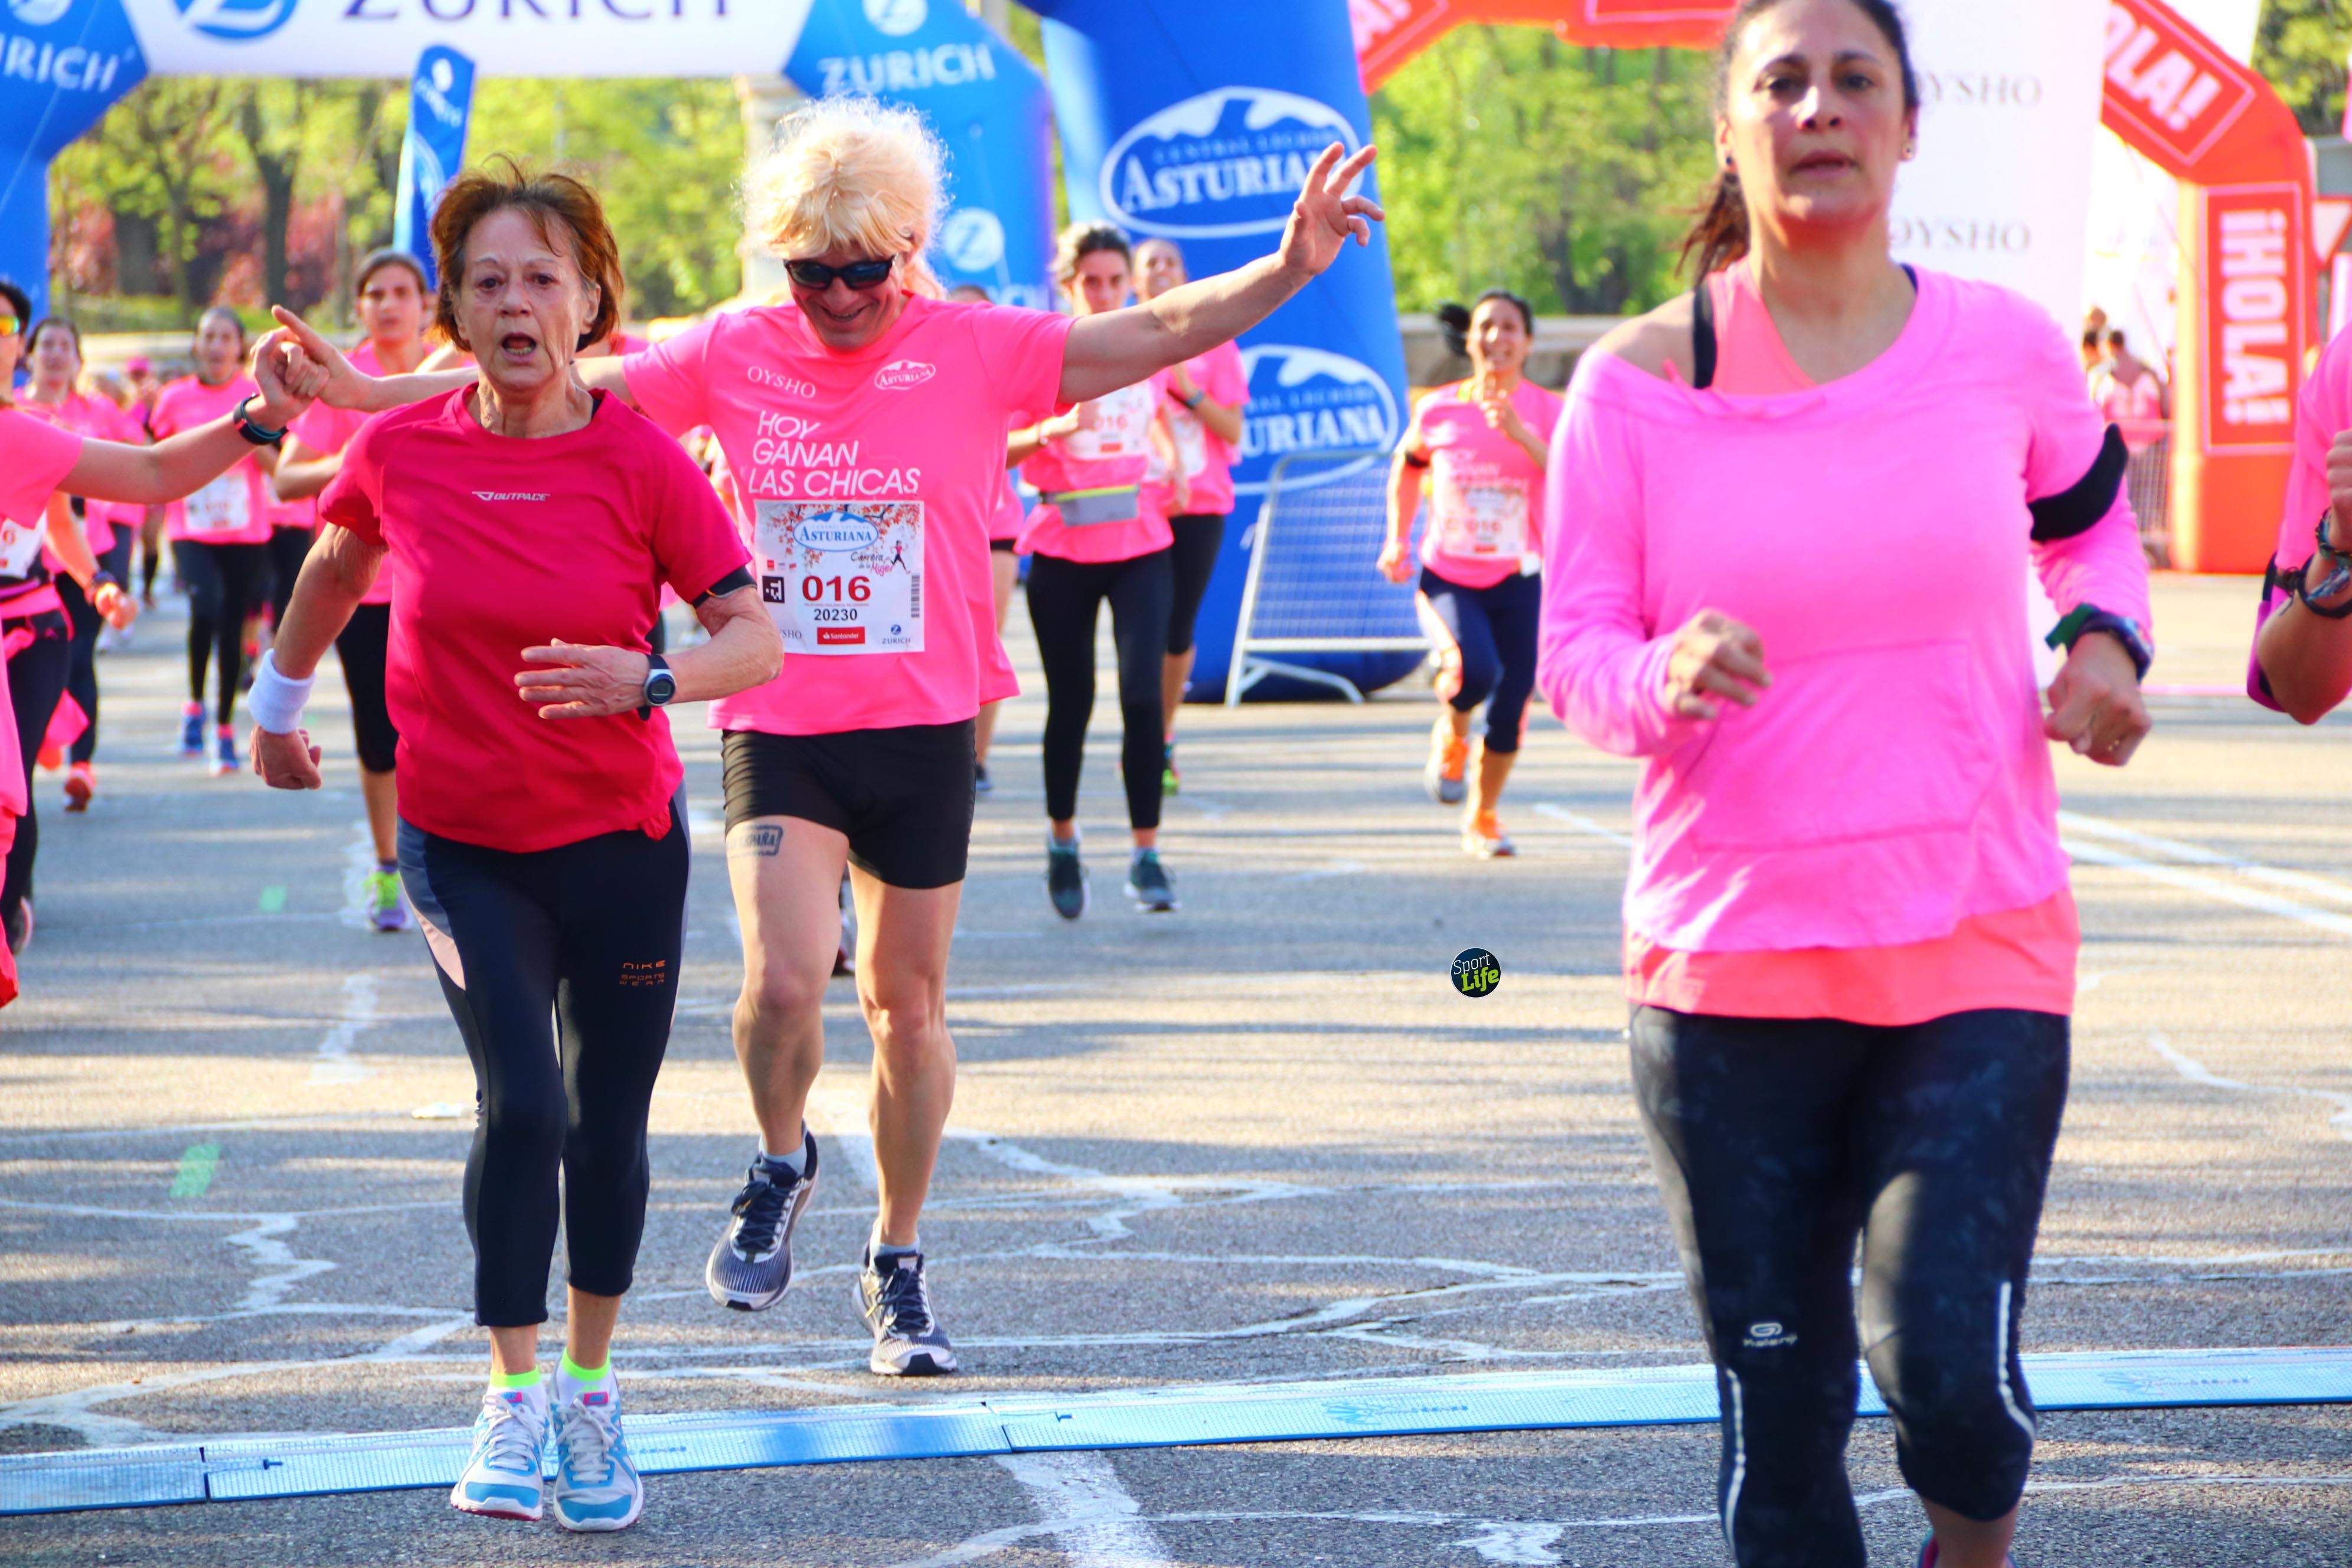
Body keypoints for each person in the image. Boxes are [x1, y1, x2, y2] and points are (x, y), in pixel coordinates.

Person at [280, 93, 1383, 1378]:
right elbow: (550, 372)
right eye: (814, 271)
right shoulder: (732, 349)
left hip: (922, 724)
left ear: (908, 248)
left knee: (906, 1009)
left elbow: (1157, 329)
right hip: (782, 718)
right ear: (782, 257)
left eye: (866, 269)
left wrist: (1289, 266)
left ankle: (897, 1257)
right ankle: (780, 1156)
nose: (842, 296)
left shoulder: (978, 347)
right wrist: (371, 390)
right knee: (784, 985)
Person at [1537, 4, 2151, 1567]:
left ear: (1908, 124)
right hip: (1726, 975)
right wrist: (1660, 674)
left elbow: (2090, 526)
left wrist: (2103, 644)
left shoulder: (2004, 346)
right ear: (1730, 131)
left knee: (1957, 1385)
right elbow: (1576, 654)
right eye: (1782, 82)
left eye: (1854, 79)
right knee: (1784, 1433)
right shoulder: (1630, 386)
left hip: (1977, 939)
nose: (1819, 107)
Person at [253, 164, 780, 1532]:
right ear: (455, 310)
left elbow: (753, 638)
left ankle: (591, 1393)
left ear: (591, 301)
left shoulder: (643, 460)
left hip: (622, 844)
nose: (515, 303)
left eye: (543, 278)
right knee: (524, 1104)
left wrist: (648, 678)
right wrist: (278, 702)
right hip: (463, 845)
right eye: (487, 281)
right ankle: (510, 1390)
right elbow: (335, 564)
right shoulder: (405, 448)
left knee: (605, 1121)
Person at [1, 296, 313, 955]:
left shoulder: (16, 436)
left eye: (3, 325)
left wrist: (262, 417)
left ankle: (11, 905)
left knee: (14, 784)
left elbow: (153, 471)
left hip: (30, 622)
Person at [1010, 223, 1186, 917]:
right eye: (1092, 282)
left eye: (1117, 282)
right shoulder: (1040, 353)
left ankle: (1147, 854)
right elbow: (997, 446)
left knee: (1143, 698)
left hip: (1141, 542)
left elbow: (1159, 410)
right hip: (1063, 546)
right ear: (1068, 285)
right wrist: (1048, 432)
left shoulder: (1150, 346)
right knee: (1072, 701)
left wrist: (1175, 463)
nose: (1106, 293)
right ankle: (1063, 840)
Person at [272, 249, 432, 932]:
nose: (389, 304)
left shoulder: (453, 370)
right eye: (375, 293)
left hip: (445, 581)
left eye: (402, 292)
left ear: (427, 305)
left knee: (455, 724)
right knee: (380, 732)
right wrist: (360, 450)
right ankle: (390, 867)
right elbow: (286, 478)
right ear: (360, 306)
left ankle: (455, 859)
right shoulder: (345, 380)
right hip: (365, 586)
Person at [1378, 289, 1561, 858]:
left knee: (1512, 705)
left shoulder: (1548, 410)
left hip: (1521, 576)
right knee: (1474, 672)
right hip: (1450, 575)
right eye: (1486, 326)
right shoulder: (1438, 409)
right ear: (1470, 339)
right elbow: (1408, 468)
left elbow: (1574, 478)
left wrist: (1519, 433)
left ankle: (1483, 817)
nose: (1496, 337)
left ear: (1527, 343)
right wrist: (1396, 538)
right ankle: (1454, 733)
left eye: (1509, 327)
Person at [1135, 237, 1249, 796]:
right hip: (1136, 503)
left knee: (1178, 627)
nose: (1161, 270)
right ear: (1135, 279)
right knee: (1141, 627)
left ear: (1184, 273)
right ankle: (1140, 735)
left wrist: (1188, 394)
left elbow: (1234, 431)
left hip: (1199, 504)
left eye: (1170, 262)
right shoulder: (1118, 340)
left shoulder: (1214, 343)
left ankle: (1161, 736)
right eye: (1150, 263)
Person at [17, 316, 142, 812]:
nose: (54, 354)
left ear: (78, 359)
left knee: (79, 653)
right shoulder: (15, 412)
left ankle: (81, 764)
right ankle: (47, 730)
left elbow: (139, 460)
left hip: (85, 553)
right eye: (45, 345)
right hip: (28, 565)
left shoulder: (98, 412)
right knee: (38, 661)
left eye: (64, 346)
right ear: (28, 355)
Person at [151, 307, 274, 775]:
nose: (217, 346)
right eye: (209, 337)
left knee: (231, 623)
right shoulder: (173, 399)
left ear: (240, 347)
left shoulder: (256, 395)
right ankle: (194, 704)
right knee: (205, 607)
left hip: (245, 531)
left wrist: (252, 434)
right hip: (192, 529)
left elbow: (277, 463)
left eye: (226, 337)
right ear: (197, 345)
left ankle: (223, 728)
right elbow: (156, 460)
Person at [947, 282, 1025, 798]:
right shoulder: (915, 381)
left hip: (994, 525)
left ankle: (977, 759)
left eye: (981, 318)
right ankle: (938, 751)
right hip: (937, 529)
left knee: (984, 644)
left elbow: (1020, 441)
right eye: (960, 318)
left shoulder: (1005, 379)